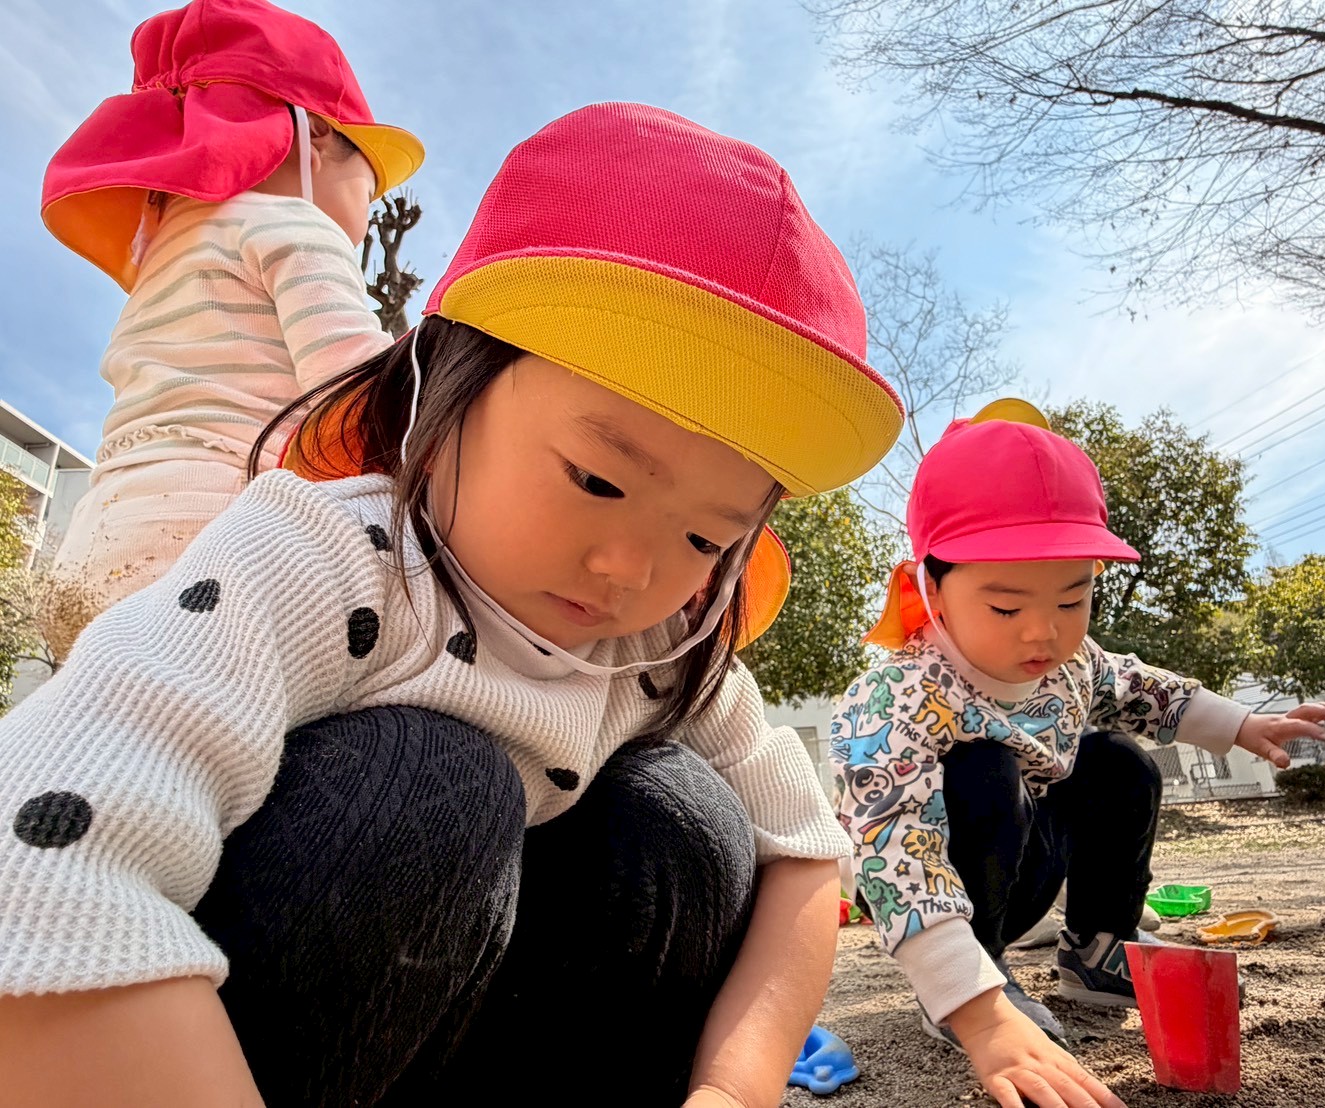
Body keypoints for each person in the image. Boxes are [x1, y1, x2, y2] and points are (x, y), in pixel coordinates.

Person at [0, 102, 904, 1107]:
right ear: (444, 390)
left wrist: (734, 1088)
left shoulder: (659, 645)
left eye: (706, 538)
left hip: (458, 1028)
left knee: (679, 817)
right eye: (598, 480)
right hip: (251, 1028)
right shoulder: (325, 559)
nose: (629, 569)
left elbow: (805, 853)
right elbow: (41, 857)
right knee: (428, 777)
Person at [830, 399, 1325, 1108]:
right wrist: (971, 1004)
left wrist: (1242, 724)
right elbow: (893, 847)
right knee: (983, 768)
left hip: (1034, 859)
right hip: (943, 890)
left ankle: (1099, 948)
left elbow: (1141, 689)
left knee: (1115, 759)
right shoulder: (899, 695)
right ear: (932, 589)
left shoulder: (1071, 665)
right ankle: (976, 979)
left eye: (1072, 600)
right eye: (1006, 607)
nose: (1041, 632)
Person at [41, 0, 423, 622]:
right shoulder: (294, 224)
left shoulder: (164, 258)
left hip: (99, 537)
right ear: (316, 133)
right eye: (369, 185)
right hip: (220, 533)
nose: (368, 210)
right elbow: (356, 385)